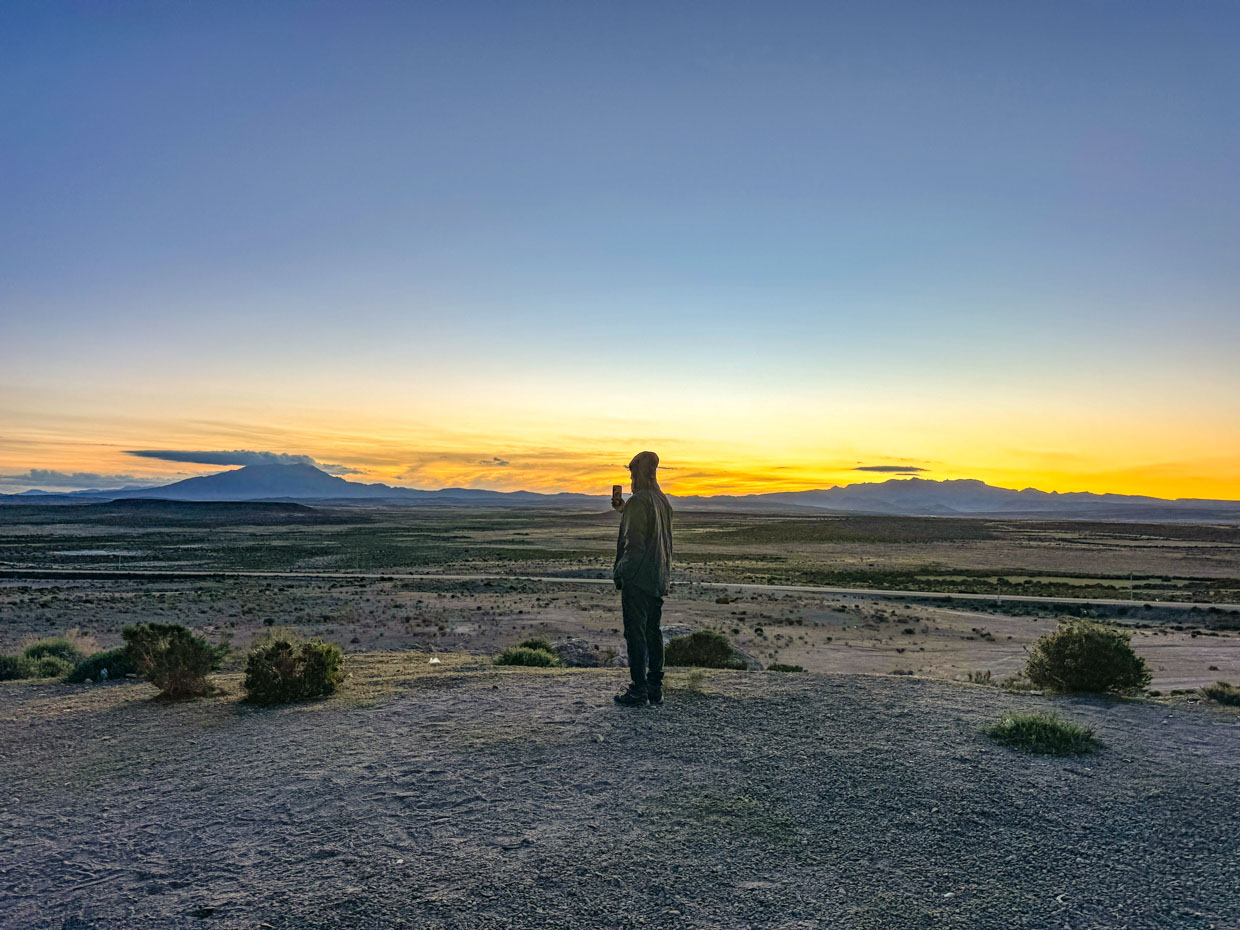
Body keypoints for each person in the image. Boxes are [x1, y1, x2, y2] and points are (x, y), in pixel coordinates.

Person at [611, 450, 673, 707]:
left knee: (636, 635)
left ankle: (638, 690)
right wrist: (623, 508)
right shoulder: (661, 500)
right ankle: (654, 687)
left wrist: (622, 572)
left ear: (639, 472)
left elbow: (634, 545)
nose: (632, 479)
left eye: (633, 473)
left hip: (638, 579)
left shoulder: (641, 501)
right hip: (657, 577)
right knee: (653, 632)